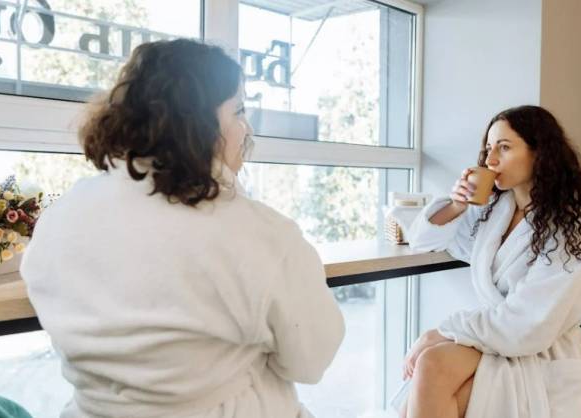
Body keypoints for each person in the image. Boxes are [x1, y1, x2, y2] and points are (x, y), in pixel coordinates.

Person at [20, 39, 345, 418]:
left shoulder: (62, 216)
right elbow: (311, 361)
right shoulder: (259, 235)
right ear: (198, 125)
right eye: (238, 111)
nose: (245, 129)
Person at [401, 105, 581, 418]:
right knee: (429, 371)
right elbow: (423, 240)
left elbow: (527, 324)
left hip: (541, 355)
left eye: (503, 147)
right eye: (488, 148)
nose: (490, 160)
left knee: (431, 368)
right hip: (498, 341)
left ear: (539, 153)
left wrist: (441, 332)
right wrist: (458, 205)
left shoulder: (569, 228)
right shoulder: (495, 211)